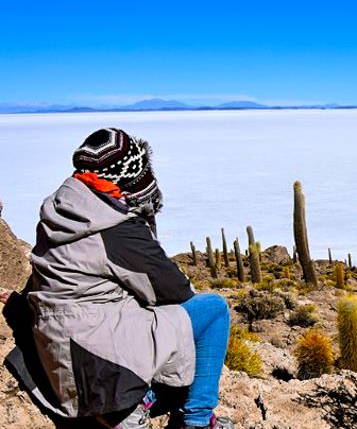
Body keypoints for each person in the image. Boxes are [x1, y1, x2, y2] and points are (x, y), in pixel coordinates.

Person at [2, 128, 234, 429]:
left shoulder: (60, 213)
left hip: (60, 365)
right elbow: (175, 290)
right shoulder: (116, 229)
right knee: (213, 310)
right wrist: (144, 221)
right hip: (102, 377)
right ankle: (196, 420)